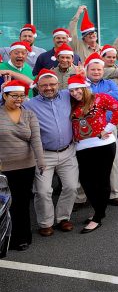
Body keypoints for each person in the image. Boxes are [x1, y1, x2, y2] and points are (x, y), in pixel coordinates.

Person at [24, 69, 79, 237]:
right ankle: (45, 223)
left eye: (52, 84)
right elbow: (5, 106)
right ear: (37, 87)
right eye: (44, 85)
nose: (48, 88)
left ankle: (63, 217)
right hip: (43, 154)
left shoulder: (67, 95)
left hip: (68, 151)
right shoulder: (29, 104)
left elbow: (85, 91)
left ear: (58, 85)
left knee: (71, 187)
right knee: (42, 191)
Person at [68, 75, 118, 233]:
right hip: (81, 148)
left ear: (85, 88)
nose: (75, 93)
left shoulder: (99, 98)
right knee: (86, 181)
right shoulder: (72, 104)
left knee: (102, 180)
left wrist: (107, 129)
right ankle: (99, 211)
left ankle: (98, 217)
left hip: (103, 145)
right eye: (71, 90)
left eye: (78, 89)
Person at [0, 80, 45, 251]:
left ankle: (22, 238)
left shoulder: (29, 114)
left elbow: (36, 139)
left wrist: (40, 160)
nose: (19, 99)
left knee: (22, 203)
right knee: (6, 204)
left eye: (22, 96)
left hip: (26, 166)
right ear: (5, 96)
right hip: (4, 167)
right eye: (14, 96)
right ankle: (5, 237)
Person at [85, 53, 118, 206]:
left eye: (99, 70)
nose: (96, 72)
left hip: (108, 128)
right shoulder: (82, 85)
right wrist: (104, 97)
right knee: (88, 163)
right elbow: (81, 99)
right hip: (87, 130)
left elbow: (117, 96)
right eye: (93, 69)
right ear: (87, 70)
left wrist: (93, 97)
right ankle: (84, 196)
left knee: (112, 161)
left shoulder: (110, 83)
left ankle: (114, 193)